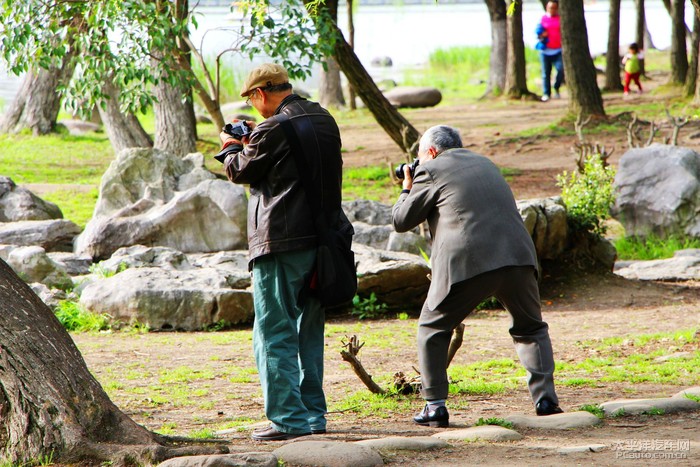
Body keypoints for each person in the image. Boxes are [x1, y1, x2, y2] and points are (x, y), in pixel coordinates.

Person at [392, 125, 562, 428]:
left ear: (430, 152)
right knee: (531, 327)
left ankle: (434, 407)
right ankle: (545, 399)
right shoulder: (486, 163)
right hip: (519, 257)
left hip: (470, 262)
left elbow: (402, 220)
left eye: (420, 157)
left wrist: (407, 185)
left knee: (432, 327)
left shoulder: (430, 170)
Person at [217, 63, 350, 441]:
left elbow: (242, 171)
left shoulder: (273, 127)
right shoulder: (323, 118)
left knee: (273, 330)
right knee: (308, 330)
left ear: (259, 94)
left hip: (282, 242)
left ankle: (287, 420)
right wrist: (253, 141)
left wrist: (230, 147)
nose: (253, 107)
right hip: (323, 243)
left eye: (251, 99)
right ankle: (312, 415)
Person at [536, 0, 564, 102]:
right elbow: (538, 32)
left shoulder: (561, 19)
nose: (552, 9)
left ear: (557, 8)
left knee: (561, 69)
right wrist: (542, 35)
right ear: (547, 8)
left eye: (554, 7)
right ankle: (546, 93)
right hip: (545, 50)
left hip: (558, 50)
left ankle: (556, 87)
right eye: (550, 7)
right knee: (545, 73)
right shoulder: (543, 19)